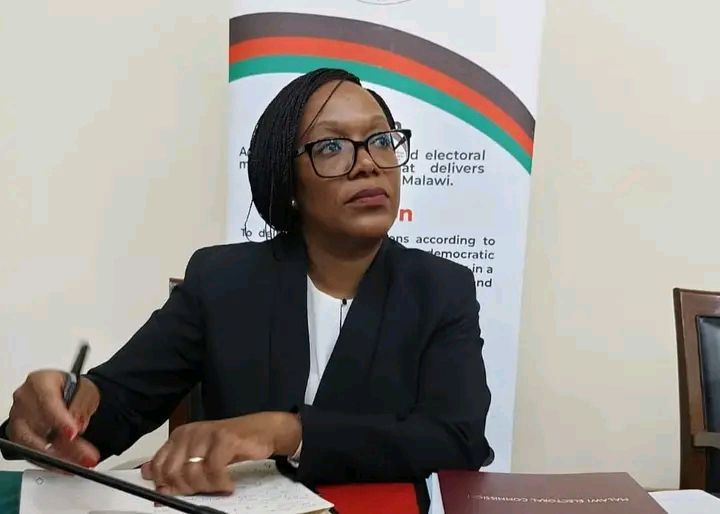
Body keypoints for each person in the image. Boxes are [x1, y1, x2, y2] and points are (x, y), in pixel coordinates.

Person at [1, 68, 493, 501]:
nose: (368, 162)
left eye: (381, 140)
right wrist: (61, 411)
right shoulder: (223, 282)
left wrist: (287, 431)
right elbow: (120, 404)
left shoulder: (440, 288)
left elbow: (458, 439)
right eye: (331, 146)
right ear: (288, 182)